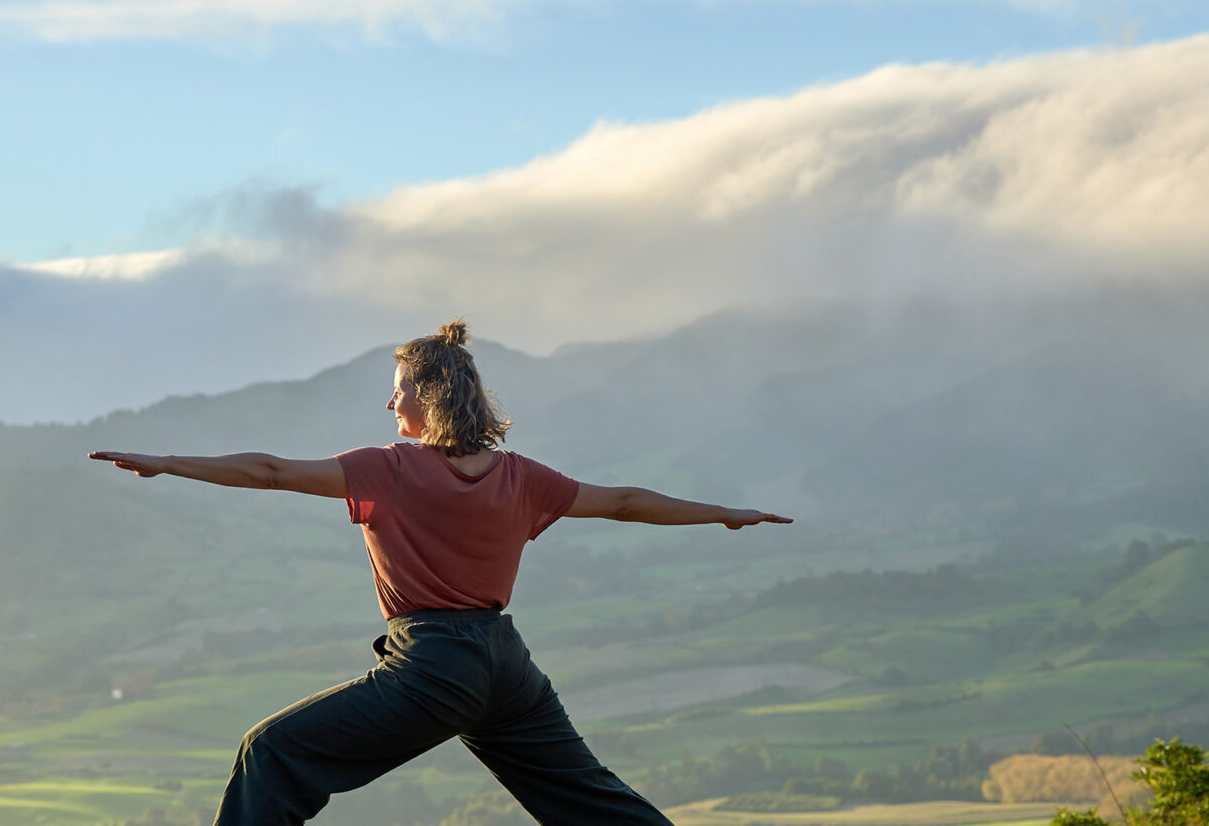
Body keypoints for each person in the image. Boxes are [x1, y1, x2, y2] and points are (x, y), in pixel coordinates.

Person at [90, 320, 791, 825]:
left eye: (397, 391)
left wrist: (169, 462)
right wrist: (724, 512)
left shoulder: (386, 468)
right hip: (505, 667)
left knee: (268, 752)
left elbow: (271, 471)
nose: (389, 405)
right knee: (592, 802)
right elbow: (628, 502)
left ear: (427, 398)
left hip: (434, 666)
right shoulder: (522, 476)